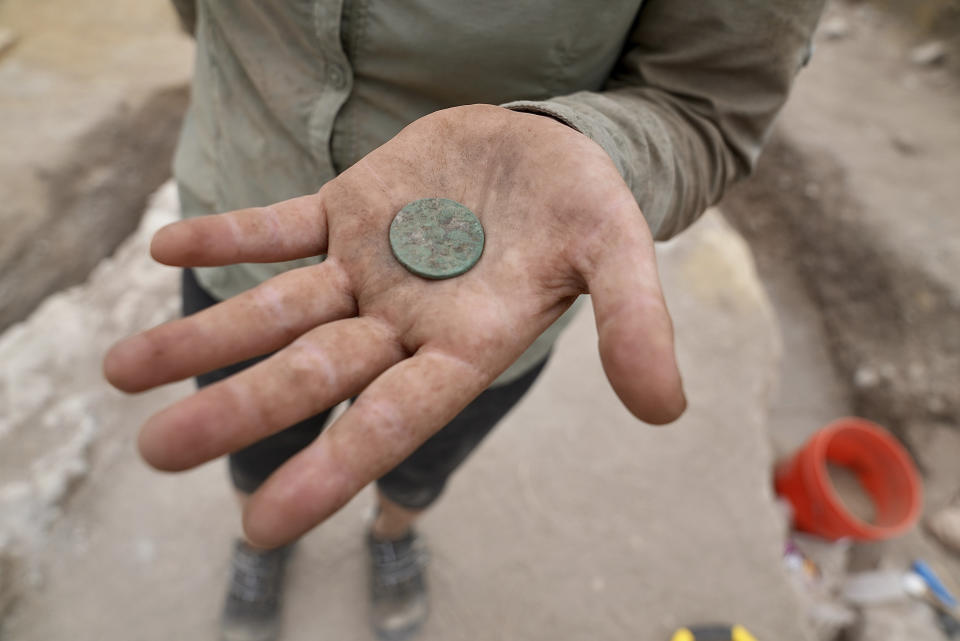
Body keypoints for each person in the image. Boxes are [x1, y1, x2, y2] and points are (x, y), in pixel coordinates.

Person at [104, 1, 825, 639]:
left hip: (491, 293)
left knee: (416, 456)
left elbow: (708, 102)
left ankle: (393, 534)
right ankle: (261, 547)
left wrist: (593, 143)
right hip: (242, 216)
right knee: (253, 445)